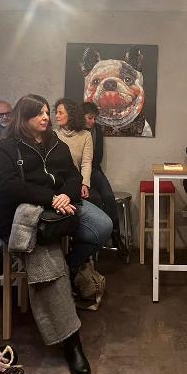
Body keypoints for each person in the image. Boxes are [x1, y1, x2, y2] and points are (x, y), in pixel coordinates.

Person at [0, 94, 91, 374]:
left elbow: (73, 177)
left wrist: (65, 196)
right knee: (49, 263)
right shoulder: (7, 146)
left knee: (98, 228)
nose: (46, 117)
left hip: (56, 213)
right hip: (21, 219)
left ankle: (69, 269)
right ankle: (71, 340)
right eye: (39, 113)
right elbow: (8, 186)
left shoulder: (56, 144)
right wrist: (51, 198)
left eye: (47, 112)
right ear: (24, 118)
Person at [54, 98, 114, 277]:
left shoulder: (85, 135)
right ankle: (62, 266)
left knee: (104, 211)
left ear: (71, 114)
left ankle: (72, 263)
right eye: (55, 112)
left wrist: (84, 183)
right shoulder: (53, 135)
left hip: (76, 183)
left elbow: (87, 162)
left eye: (60, 112)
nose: (56, 116)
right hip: (58, 189)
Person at [82, 101, 129, 262]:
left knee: (108, 196)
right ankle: (96, 239)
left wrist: (89, 171)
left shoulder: (97, 130)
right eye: (90, 118)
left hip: (94, 169)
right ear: (81, 116)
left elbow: (98, 156)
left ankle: (115, 235)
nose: (93, 121)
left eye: (94, 118)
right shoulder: (75, 132)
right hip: (77, 173)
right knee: (95, 199)